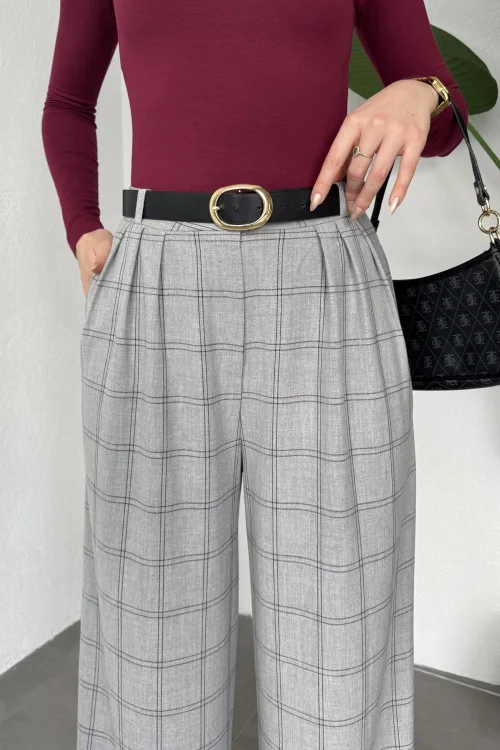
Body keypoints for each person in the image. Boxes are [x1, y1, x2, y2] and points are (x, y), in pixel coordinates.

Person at [41, 1, 467, 748]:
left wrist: (421, 92)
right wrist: (83, 228)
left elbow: (446, 113)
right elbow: (68, 103)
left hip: (322, 275)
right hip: (160, 277)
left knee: (340, 619)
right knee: (150, 629)